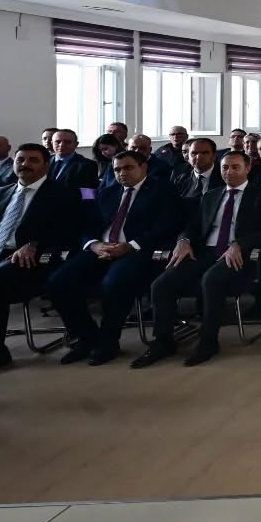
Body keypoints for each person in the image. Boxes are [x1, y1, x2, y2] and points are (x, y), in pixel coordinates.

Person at [132, 151, 261, 368]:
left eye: (235, 167)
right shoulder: (211, 195)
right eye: (225, 167)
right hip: (205, 252)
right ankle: (163, 341)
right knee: (161, 284)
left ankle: (208, 340)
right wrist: (184, 240)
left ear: (248, 168)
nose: (229, 172)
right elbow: (194, 226)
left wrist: (239, 244)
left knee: (211, 279)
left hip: (241, 254)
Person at [47, 150, 180, 365]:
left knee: (114, 284)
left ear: (143, 167)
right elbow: (86, 225)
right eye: (117, 169)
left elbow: (166, 227)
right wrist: (94, 244)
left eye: (128, 168)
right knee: (58, 282)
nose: (122, 173)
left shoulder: (162, 190)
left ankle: (108, 341)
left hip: (138, 251)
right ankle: (87, 336)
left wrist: (130, 246)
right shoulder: (107, 192)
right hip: (102, 249)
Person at [0, 143, 81, 377]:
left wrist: (34, 244)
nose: (25, 164)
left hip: (30, 259)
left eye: (33, 160)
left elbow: (68, 234)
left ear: (46, 165)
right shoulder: (2, 192)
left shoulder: (62, 193)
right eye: (20, 160)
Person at [173, 137, 223, 201]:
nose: (199, 157)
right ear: (188, 156)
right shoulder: (181, 179)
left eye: (205, 153)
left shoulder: (224, 177)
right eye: (194, 153)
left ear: (214, 156)